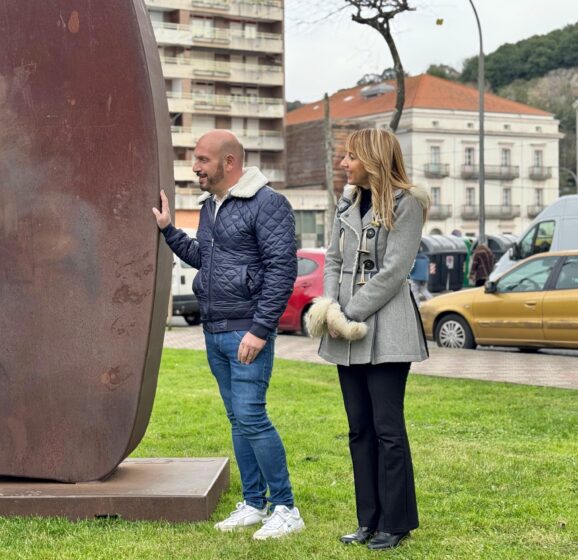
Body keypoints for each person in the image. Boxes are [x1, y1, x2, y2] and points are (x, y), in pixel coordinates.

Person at [152, 130, 304, 540]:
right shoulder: (210, 206)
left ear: (229, 162)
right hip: (215, 327)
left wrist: (260, 330)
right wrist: (168, 230)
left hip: (246, 330)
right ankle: (254, 503)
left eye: (202, 159)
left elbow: (281, 270)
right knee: (238, 420)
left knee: (252, 416)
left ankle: (286, 507)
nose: (195, 167)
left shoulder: (268, 204)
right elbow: (205, 256)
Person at [306, 128, 429, 550]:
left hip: (388, 331)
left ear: (373, 159)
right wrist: (330, 306)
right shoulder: (348, 201)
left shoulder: (407, 204)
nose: (343, 164)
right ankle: (368, 520)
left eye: (350, 157)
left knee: (387, 429)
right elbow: (334, 259)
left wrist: (347, 313)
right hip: (346, 333)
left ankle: (396, 522)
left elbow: (395, 272)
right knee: (359, 429)